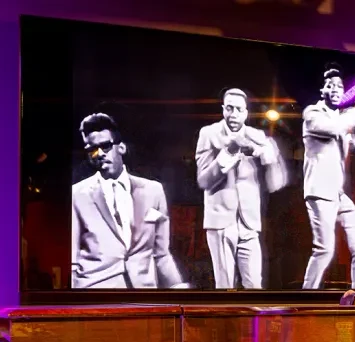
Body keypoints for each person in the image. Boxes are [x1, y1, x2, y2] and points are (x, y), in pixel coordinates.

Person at [70, 113, 186, 288]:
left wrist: (179, 288)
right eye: (92, 149)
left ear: (121, 148)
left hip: (143, 296)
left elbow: (161, 254)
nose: (99, 154)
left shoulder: (153, 191)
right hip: (95, 294)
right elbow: (72, 260)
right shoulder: (77, 194)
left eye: (105, 146)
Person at [194, 88, 287, 289]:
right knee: (225, 287)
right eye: (229, 108)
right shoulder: (208, 134)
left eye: (238, 109)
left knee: (255, 286)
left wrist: (267, 157)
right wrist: (229, 151)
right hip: (220, 221)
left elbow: (276, 184)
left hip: (249, 223)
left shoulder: (257, 136)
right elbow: (203, 181)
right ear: (223, 110)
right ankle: (226, 322)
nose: (233, 114)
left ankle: (254, 322)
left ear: (246, 113)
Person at [301, 65, 355, 289]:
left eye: (340, 86)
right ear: (322, 90)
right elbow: (335, 129)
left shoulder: (344, 120)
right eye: (330, 85)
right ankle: (305, 297)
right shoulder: (312, 114)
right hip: (320, 192)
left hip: (338, 194)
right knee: (325, 250)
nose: (335, 89)